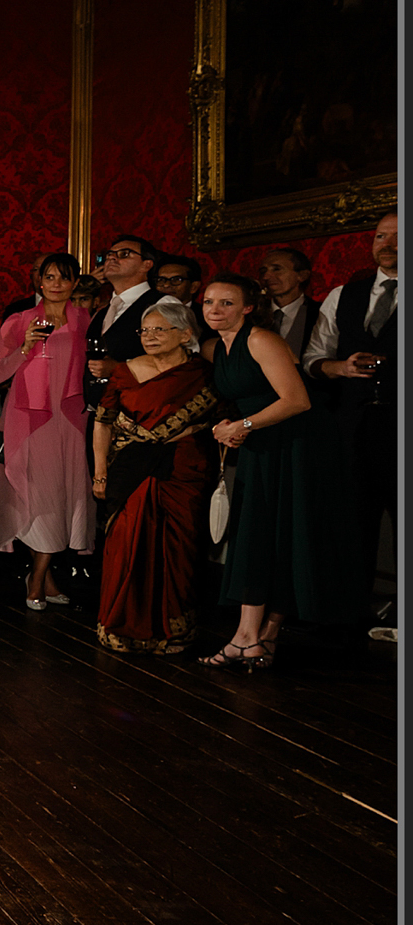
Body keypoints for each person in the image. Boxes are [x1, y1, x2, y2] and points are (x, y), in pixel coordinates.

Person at [201, 273, 368, 670]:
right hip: (263, 442)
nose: (215, 310)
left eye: (226, 303)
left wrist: (242, 426)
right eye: (209, 302)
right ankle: (257, 638)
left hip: (297, 446)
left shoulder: (260, 338)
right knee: (261, 534)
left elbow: (297, 400)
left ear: (247, 307)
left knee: (281, 534)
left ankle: (252, 637)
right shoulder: (215, 347)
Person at [89, 302, 219, 653]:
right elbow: (103, 422)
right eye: (145, 331)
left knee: (179, 548)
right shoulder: (125, 372)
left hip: (183, 470)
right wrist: (100, 473)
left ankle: (170, 630)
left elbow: (218, 422)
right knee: (127, 545)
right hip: (131, 470)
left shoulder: (203, 375)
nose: (149, 337)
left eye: (159, 330)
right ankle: (120, 624)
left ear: (185, 334)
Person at [303, 212, 398, 630]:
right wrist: (339, 368)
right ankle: (350, 613)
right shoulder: (344, 294)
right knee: (353, 520)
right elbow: (311, 359)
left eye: (398, 236)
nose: (387, 243)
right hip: (353, 427)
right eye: (380, 235)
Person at [0, 255, 96, 610]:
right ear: (38, 281)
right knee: (36, 496)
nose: (55, 284)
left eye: (63, 278)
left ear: (74, 282)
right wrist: (24, 348)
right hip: (28, 419)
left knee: (61, 497)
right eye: (49, 277)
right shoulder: (19, 320)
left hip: (69, 418)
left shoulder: (85, 320)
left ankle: (43, 575)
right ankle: (38, 577)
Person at [86, 235, 173, 407]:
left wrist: (120, 369)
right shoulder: (102, 312)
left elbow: (179, 363)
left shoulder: (162, 304)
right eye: (109, 254)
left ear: (146, 265)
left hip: (143, 411)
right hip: (99, 413)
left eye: (124, 254)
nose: (112, 258)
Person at [257, 247, 320, 363]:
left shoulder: (320, 313)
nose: (266, 277)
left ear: (302, 275)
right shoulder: (252, 313)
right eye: (263, 271)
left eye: (276, 269)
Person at [152, 255, 208, 340]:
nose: (166, 285)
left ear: (193, 287)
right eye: (161, 280)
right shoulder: (146, 312)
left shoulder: (206, 317)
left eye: (176, 280)